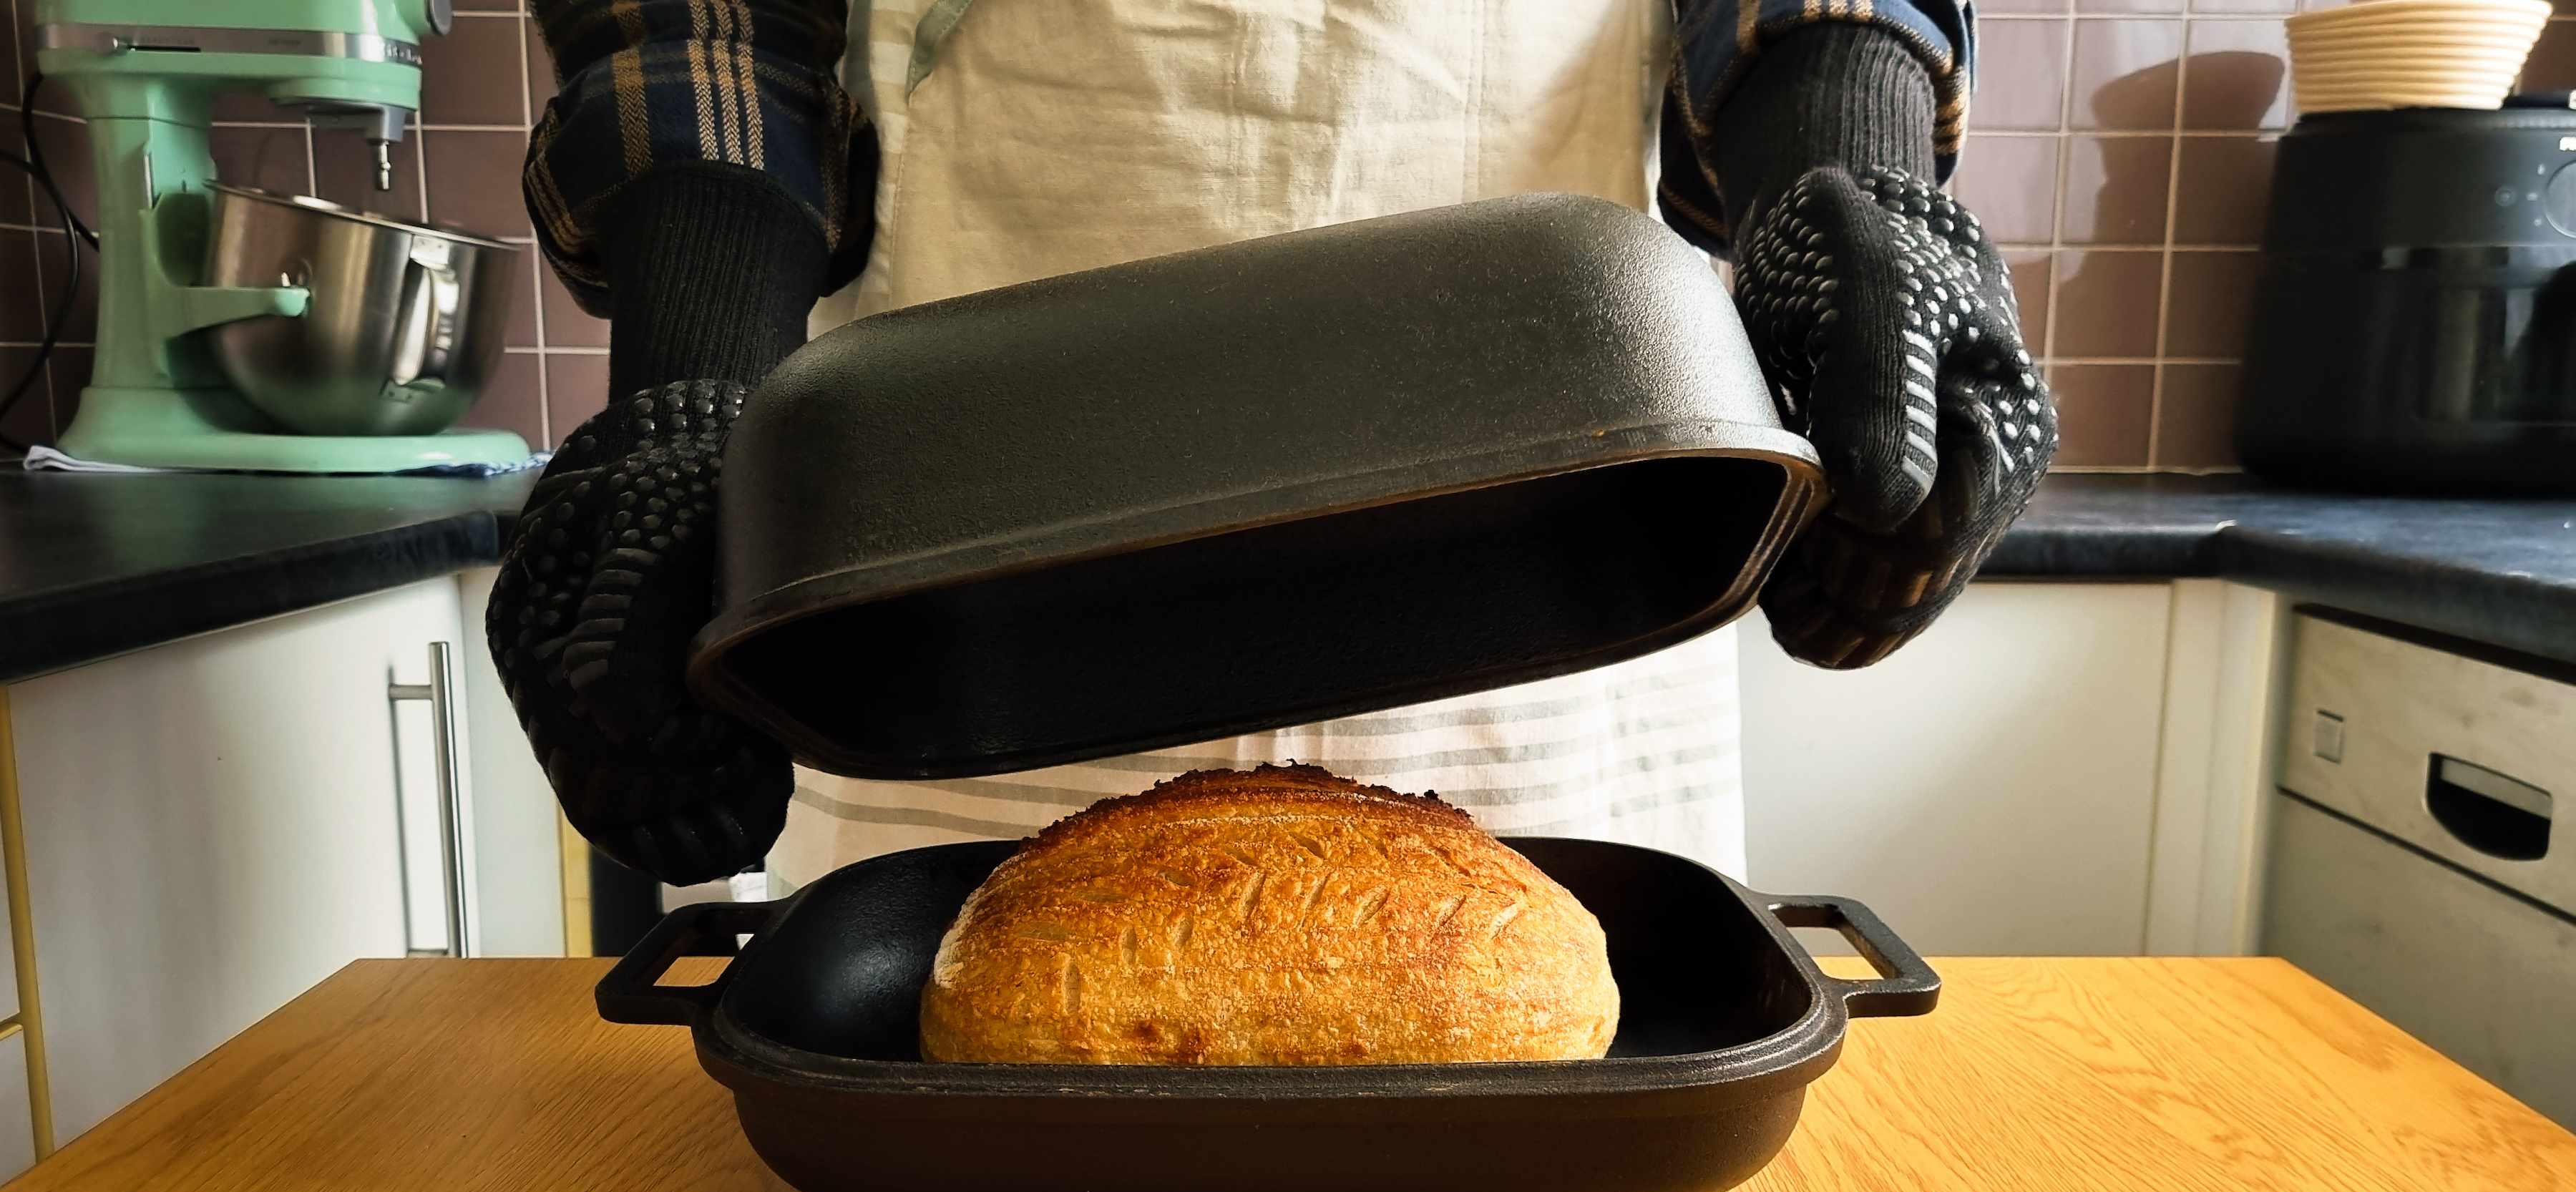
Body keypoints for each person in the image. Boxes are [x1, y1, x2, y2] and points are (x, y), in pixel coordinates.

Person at [492, 0, 2056, 907]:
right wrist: (694, 392)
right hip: (965, 610)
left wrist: (1846, 177)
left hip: (1553, 595)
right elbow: (703, 30)